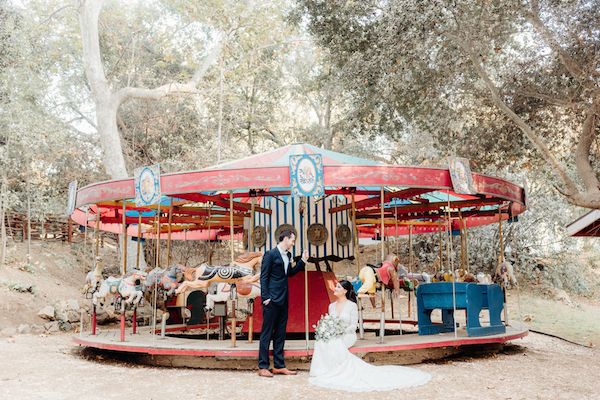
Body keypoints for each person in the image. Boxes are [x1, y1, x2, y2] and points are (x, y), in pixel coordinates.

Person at [309, 280, 431, 392]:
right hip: (335, 334)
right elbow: (331, 321)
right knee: (321, 341)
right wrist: (328, 329)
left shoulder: (351, 306)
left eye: (338, 287)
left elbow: (353, 325)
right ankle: (323, 370)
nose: (335, 288)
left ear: (345, 291)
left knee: (334, 343)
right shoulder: (331, 306)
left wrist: (340, 331)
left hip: (348, 335)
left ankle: (336, 370)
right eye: (336, 286)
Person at [258, 229, 308, 378]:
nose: (293, 243)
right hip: (271, 299)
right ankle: (263, 366)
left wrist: (303, 261)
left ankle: (279, 365)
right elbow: (264, 277)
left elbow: (290, 273)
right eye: (292, 240)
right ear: (285, 238)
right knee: (267, 333)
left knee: (280, 332)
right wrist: (265, 298)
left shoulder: (288, 255)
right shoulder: (270, 254)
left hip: (284, 298)